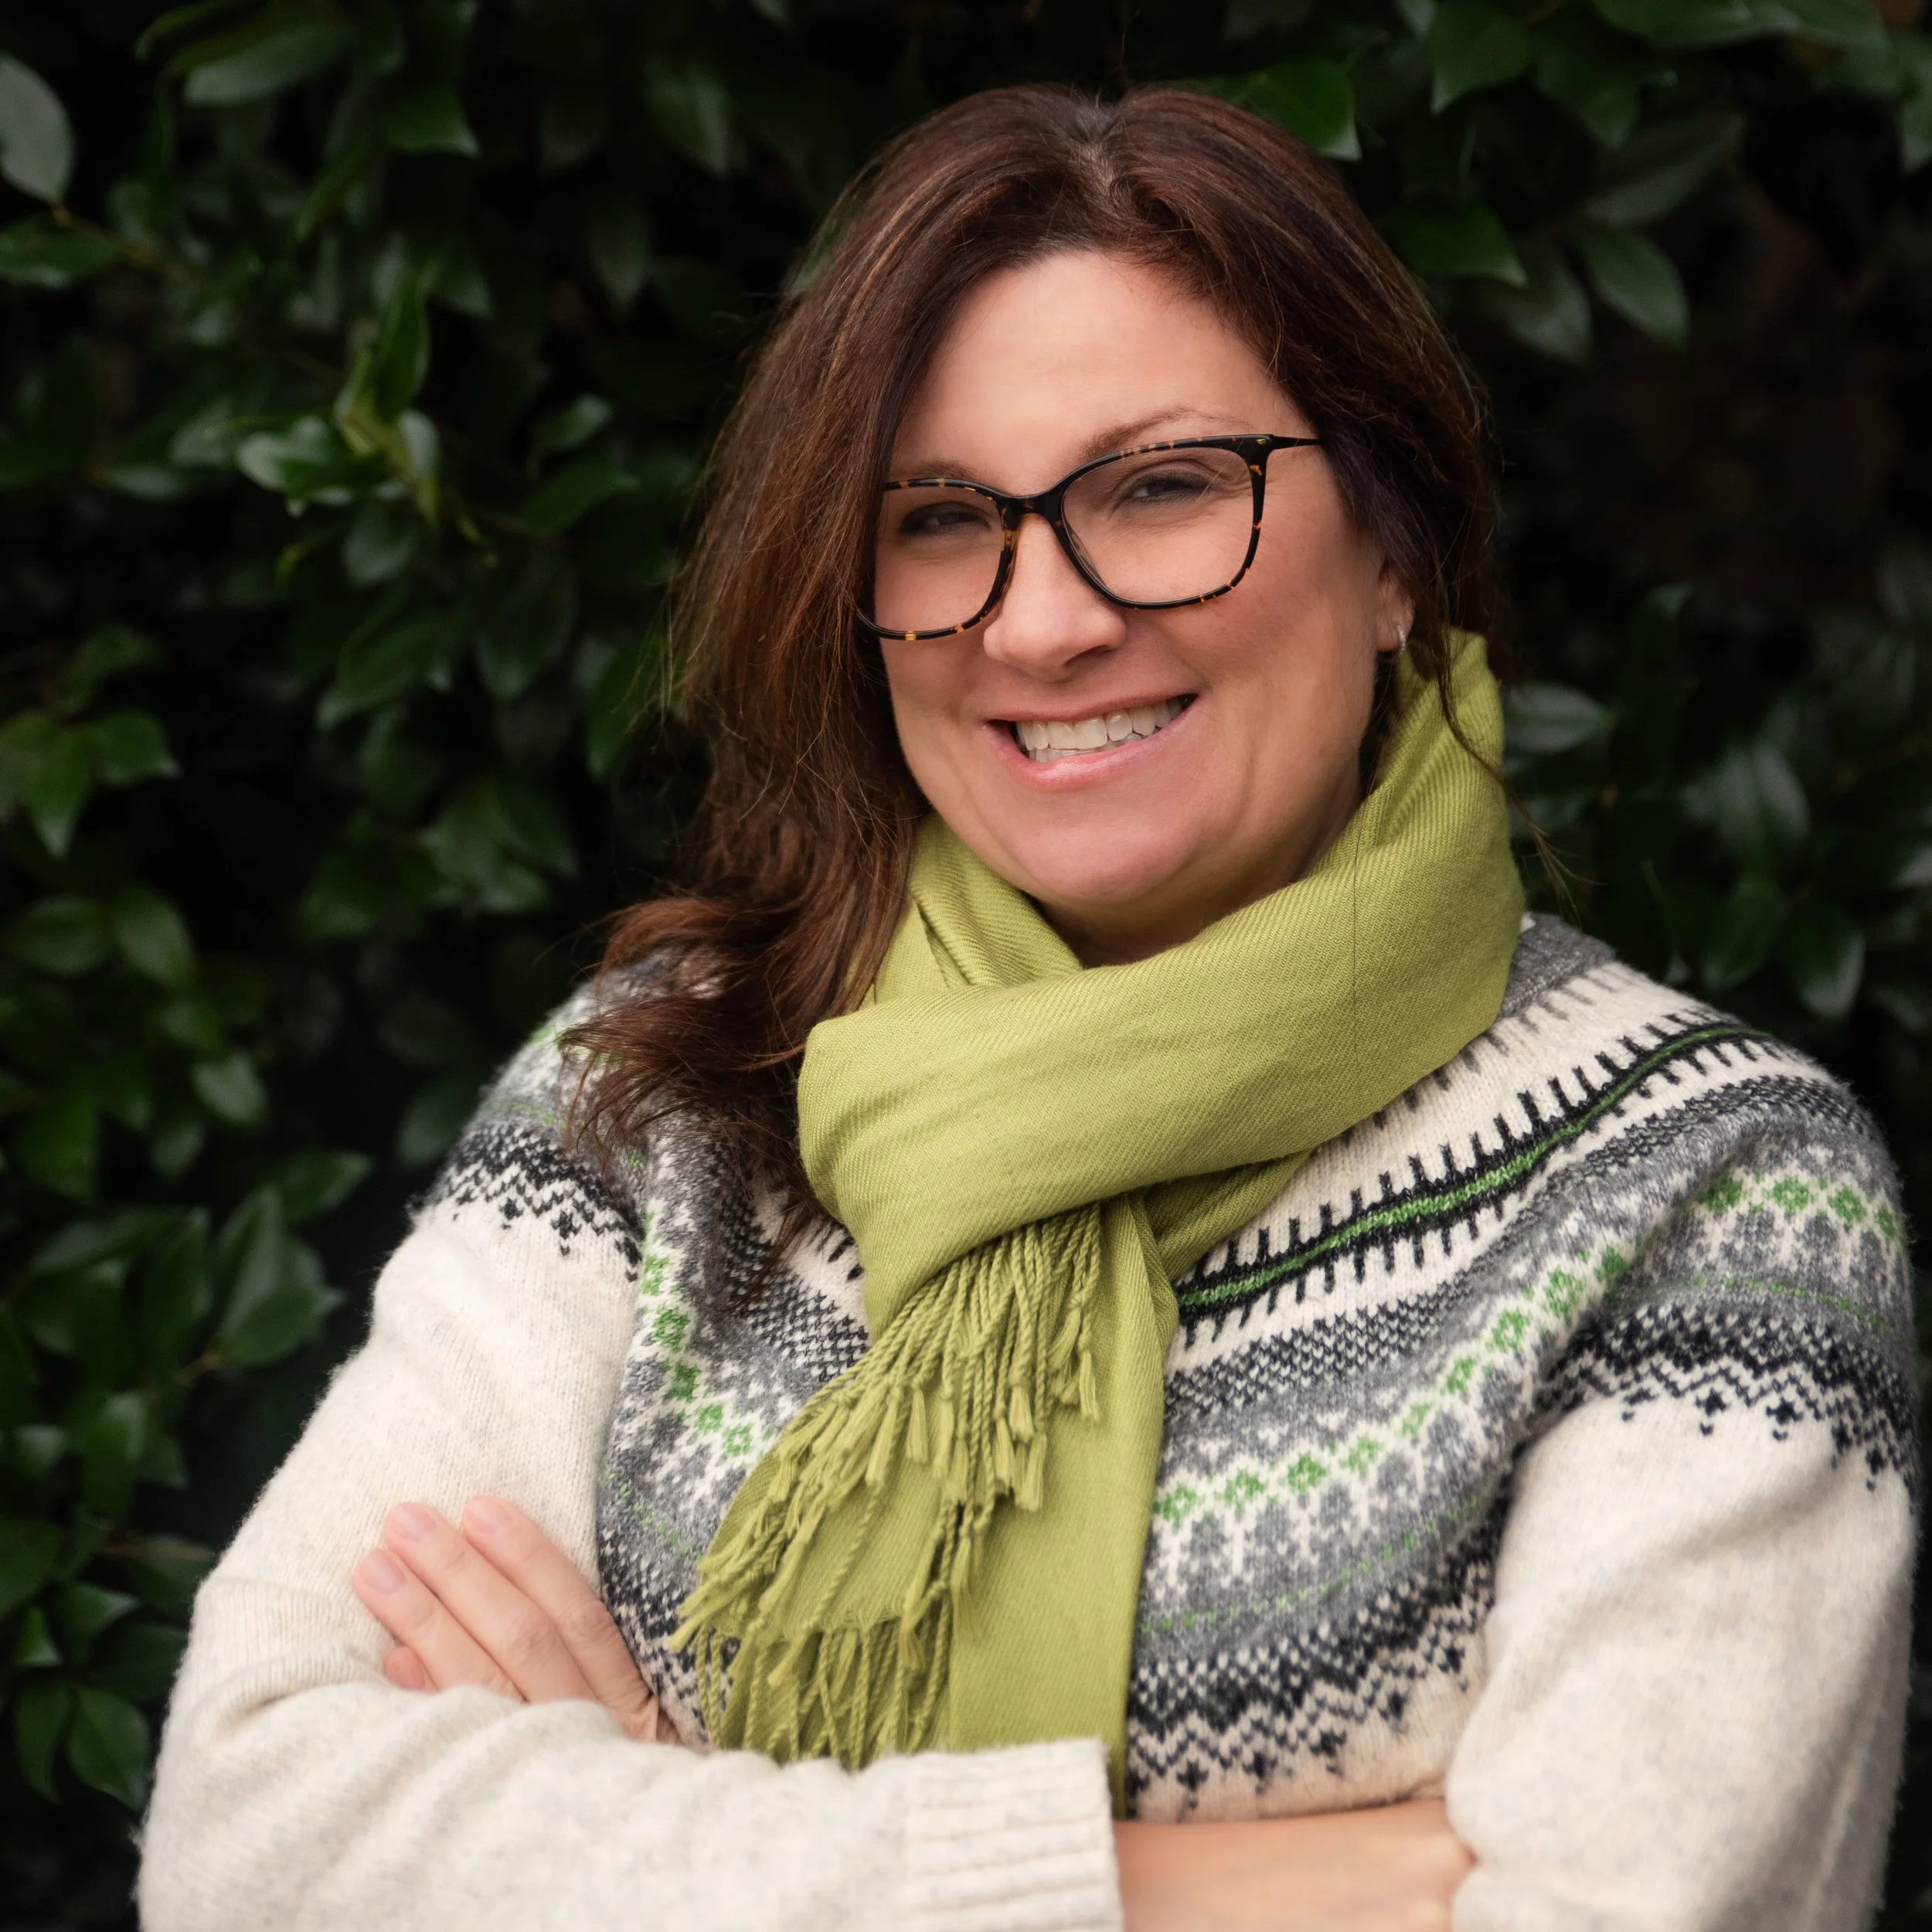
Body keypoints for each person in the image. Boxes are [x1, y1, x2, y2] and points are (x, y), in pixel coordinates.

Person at [140, 84, 1916, 1932]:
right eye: (935, 518)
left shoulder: (1707, 1189)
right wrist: (1175, 1884)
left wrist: (642, 1826)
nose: (1039, 620)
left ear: (1392, 549)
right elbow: (250, 1833)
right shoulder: (664, 1087)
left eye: (1159, 488)